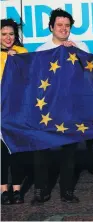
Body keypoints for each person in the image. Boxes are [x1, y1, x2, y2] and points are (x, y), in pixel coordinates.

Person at [31, 8, 90, 205]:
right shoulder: (41, 50)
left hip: (70, 107)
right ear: (51, 27)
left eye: (67, 25)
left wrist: (77, 53)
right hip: (47, 108)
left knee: (69, 151)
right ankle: (41, 190)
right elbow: (35, 79)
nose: (64, 29)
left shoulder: (80, 45)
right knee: (41, 149)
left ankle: (67, 191)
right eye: (59, 25)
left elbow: (89, 72)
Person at [1, 18, 28, 204]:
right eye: (4, 34)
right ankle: (4, 190)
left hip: (18, 108)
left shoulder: (23, 52)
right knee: (2, 151)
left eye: (11, 34)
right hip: (0, 109)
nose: (8, 37)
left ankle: (17, 189)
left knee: (16, 150)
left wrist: (16, 61)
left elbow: (28, 79)